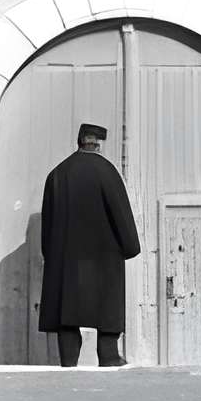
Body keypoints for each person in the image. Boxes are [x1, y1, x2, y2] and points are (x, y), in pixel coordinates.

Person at [38, 121, 141, 367]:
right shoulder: (107, 171)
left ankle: (69, 362)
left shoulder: (58, 174)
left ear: (79, 141)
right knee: (107, 309)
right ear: (99, 144)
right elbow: (121, 214)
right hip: (103, 259)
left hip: (67, 261)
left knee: (67, 314)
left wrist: (51, 255)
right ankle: (109, 357)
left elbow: (47, 224)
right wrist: (130, 247)